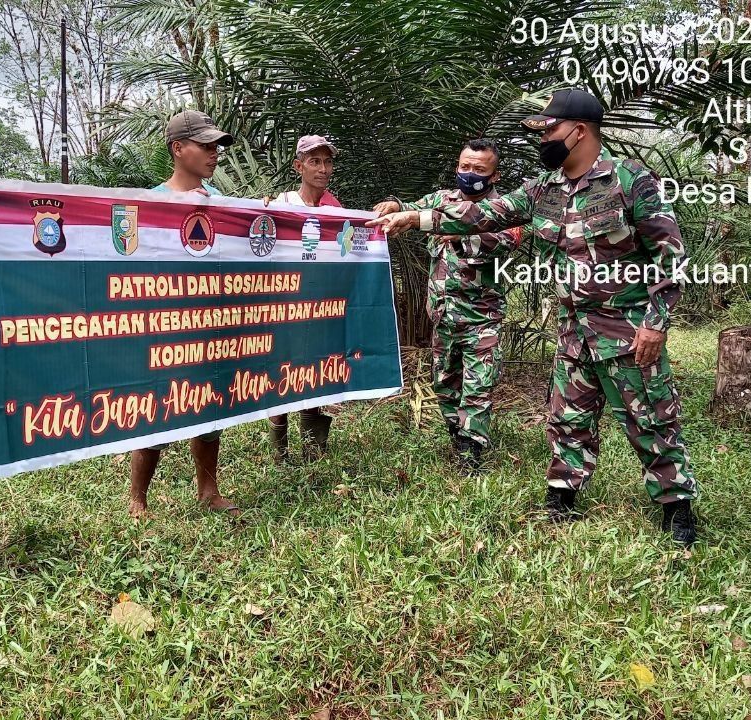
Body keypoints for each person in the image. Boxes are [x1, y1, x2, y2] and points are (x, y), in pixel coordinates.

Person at [368, 89, 700, 546]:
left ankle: (676, 507)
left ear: (578, 131)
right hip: (572, 330)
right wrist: (416, 218)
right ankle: (562, 497)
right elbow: (482, 215)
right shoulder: (544, 189)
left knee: (650, 419)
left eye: (549, 130)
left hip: (625, 328)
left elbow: (670, 254)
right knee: (567, 417)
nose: (543, 139)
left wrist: (655, 323)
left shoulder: (630, 180)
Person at [372, 139, 522, 472]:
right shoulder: (441, 200)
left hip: (483, 319)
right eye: (464, 167)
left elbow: (506, 240)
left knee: (478, 388)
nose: (469, 174)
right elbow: (409, 208)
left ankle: (471, 454)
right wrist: (393, 207)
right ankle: (459, 436)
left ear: (494, 176)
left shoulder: (506, 209)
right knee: (445, 384)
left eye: (479, 170)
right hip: (443, 316)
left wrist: (457, 232)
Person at [129, 110, 241, 519]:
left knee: (211, 407)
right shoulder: (149, 203)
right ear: (178, 149)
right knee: (158, 410)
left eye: (217, 147)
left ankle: (208, 490)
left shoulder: (224, 207)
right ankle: (138, 498)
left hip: (213, 326)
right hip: (166, 327)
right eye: (206, 146)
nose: (215, 154)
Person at [266, 135, 341, 463]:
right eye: (314, 162)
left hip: (320, 306)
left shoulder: (335, 207)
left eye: (327, 162)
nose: (322, 169)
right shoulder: (281, 203)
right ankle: (279, 452)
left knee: (312, 373)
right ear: (299, 166)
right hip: (285, 305)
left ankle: (313, 452)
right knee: (282, 373)